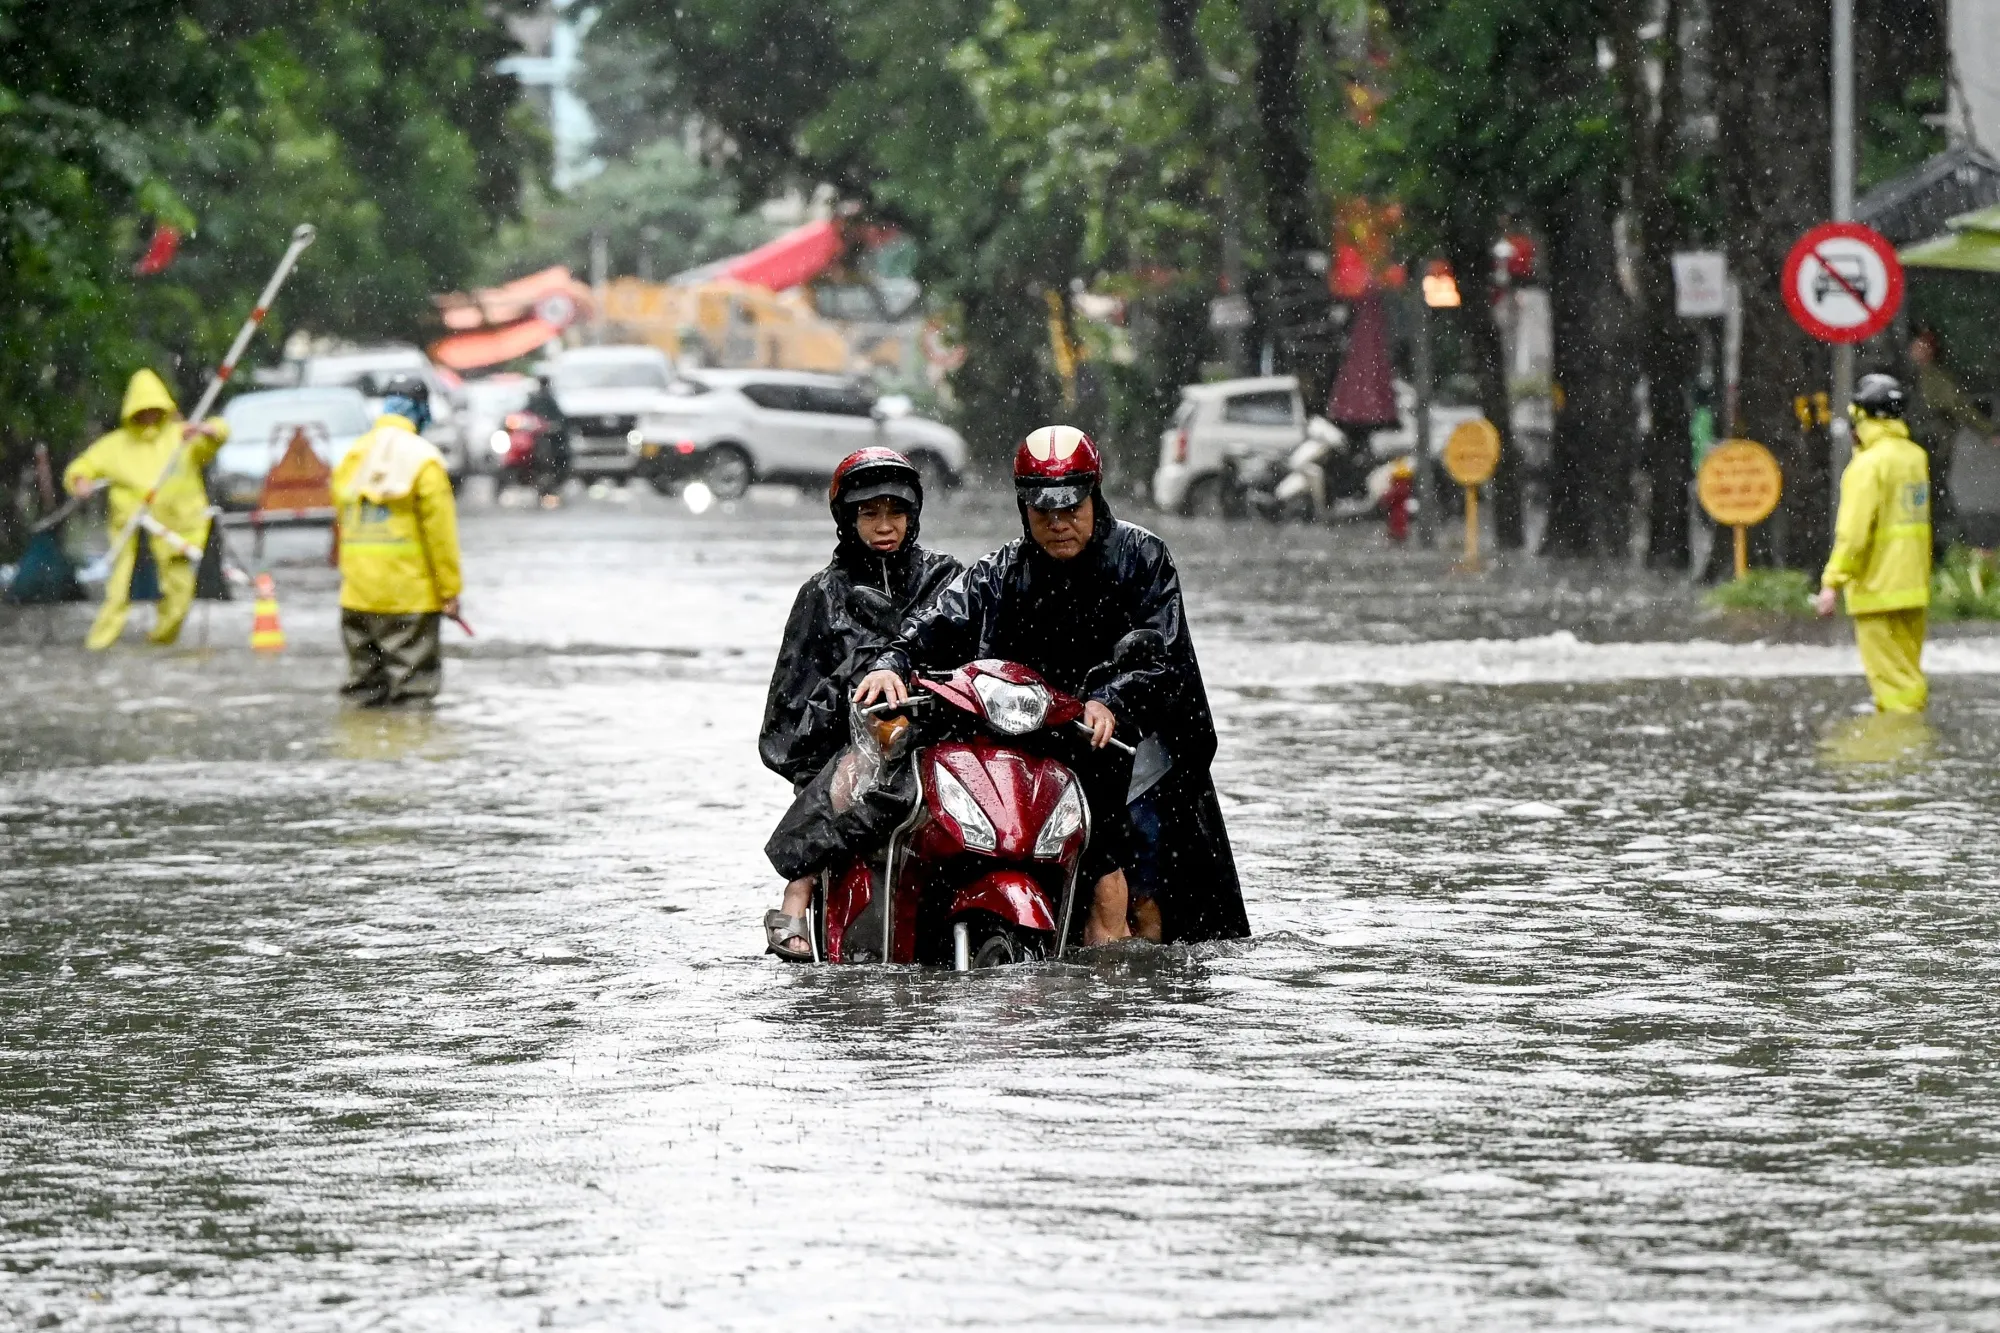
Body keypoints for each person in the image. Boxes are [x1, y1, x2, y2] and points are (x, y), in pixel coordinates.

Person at [855, 425, 1250, 946]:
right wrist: (892, 659)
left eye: (1072, 509)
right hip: (1037, 739)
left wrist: (1111, 699)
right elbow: (939, 620)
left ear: (1095, 497)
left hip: (1132, 745)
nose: (1059, 524)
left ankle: (1144, 979)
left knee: (1150, 879)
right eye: (1044, 512)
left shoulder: (1142, 557)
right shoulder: (1000, 572)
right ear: (1024, 509)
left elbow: (1162, 654)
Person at [760, 448, 964, 960]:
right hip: (850, 754)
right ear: (847, 519)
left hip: (942, 743)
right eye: (870, 513)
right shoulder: (821, 595)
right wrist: (852, 705)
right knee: (858, 767)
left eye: (895, 512)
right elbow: (786, 718)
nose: (884, 526)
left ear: (913, 515)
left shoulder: (949, 582)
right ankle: (799, 889)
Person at [63, 369, 229, 651]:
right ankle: (99, 646)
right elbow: (83, 466)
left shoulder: (182, 437)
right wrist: (80, 482)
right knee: (118, 591)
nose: (150, 416)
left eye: (155, 410)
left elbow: (216, 436)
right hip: (130, 528)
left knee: (180, 593)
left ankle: (159, 644)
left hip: (176, 528)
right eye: (144, 410)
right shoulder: (114, 445)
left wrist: (208, 430)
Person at [330, 375, 463, 706]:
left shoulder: (353, 455)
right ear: (421, 409)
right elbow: (440, 535)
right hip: (409, 598)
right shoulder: (425, 459)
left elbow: (341, 520)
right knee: (413, 695)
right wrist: (449, 591)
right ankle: (407, 756)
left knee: (362, 693)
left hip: (357, 595)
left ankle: (360, 753)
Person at [1816, 373, 1932, 713]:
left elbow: (1853, 534)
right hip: (1913, 588)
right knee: (1908, 674)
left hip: (1878, 591)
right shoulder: (1914, 457)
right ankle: (1912, 743)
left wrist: (1831, 582)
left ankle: (1900, 748)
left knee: (1893, 685)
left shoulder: (1867, 466)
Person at [1908, 330, 1988, 555]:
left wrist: (1987, 430)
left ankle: (1948, 541)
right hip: (1920, 446)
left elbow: (1959, 406)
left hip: (1931, 446)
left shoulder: (1933, 379)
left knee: (1933, 491)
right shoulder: (1914, 376)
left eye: (1922, 346)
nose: (1916, 350)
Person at [523, 373, 570, 506]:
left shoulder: (548, 400)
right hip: (538, 438)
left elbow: (561, 421)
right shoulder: (538, 400)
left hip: (552, 440)